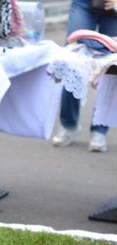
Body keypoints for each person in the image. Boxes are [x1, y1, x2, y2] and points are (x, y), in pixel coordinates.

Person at [52, 0, 117, 152]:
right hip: (83, 3)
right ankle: (69, 124)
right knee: (72, 58)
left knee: (111, 65)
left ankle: (99, 129)